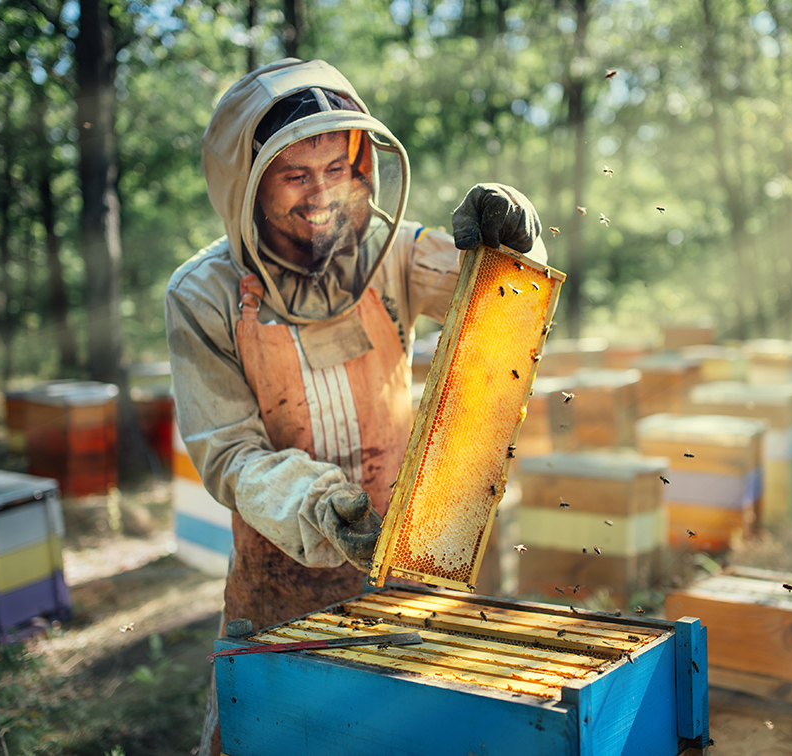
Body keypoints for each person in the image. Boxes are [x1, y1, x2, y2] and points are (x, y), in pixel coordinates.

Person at [164, 58, 546, 756]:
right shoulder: (203, 295)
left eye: (335, 169)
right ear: (246, 184)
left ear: (361, 166)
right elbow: (227, 452)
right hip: (279, 582)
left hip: (408, 567)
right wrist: (314, 503)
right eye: (295, 175)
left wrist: (513, 239)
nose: (321, 196)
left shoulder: (394, 253)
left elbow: (503, 299)